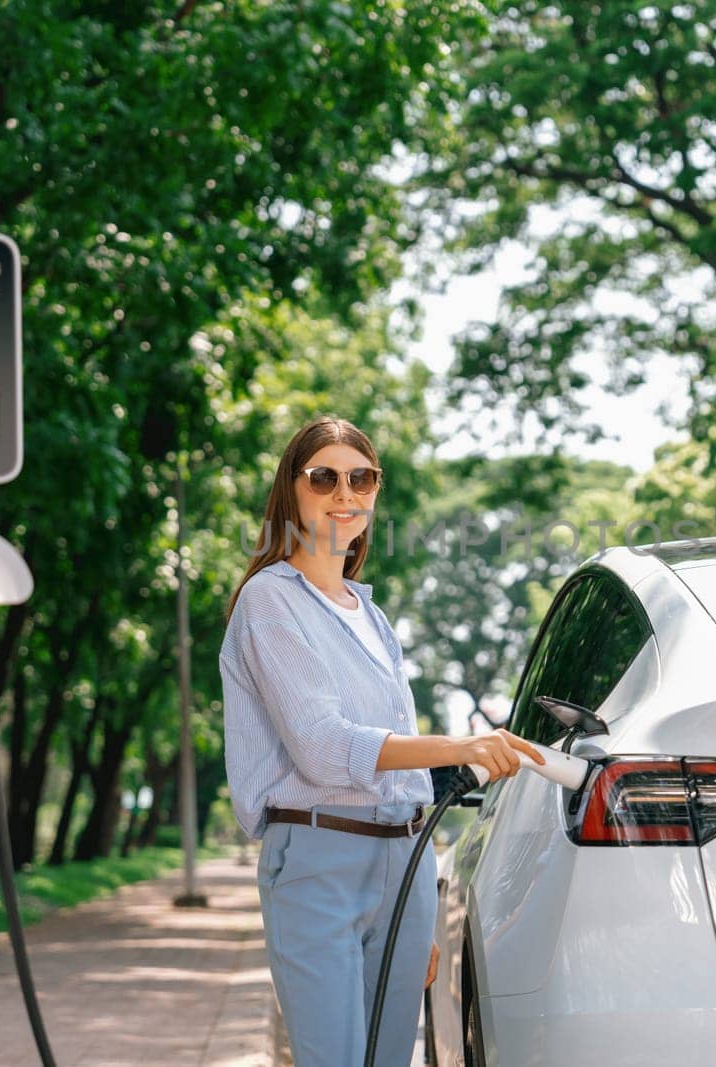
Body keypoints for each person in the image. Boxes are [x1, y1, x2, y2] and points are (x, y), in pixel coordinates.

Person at [220, 415, 543, 1066]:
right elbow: (320, 744)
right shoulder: (268, 600)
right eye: (325, 478)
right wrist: (461, 746)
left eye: (361, 478)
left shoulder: (373, 617)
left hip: (404, 861)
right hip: (317, 860)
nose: (345, 494)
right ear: (292, 490)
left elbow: (395, 768)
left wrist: (417, 899)